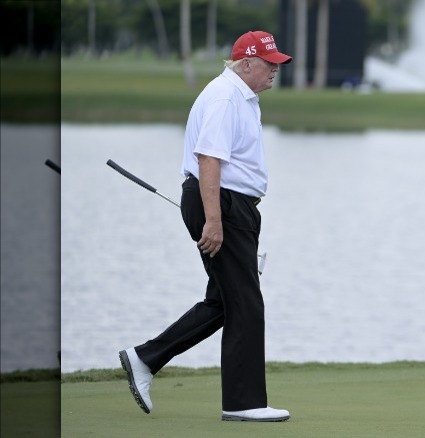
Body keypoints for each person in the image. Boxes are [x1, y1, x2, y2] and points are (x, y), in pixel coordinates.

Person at [119, 30, 292, 422]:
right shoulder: (224, 97)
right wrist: (214, 220)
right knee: (246, 303)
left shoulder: (243, 98)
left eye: (277, 64)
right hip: (222, 205)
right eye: (269, 64)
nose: (275, 71)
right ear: (246, 63)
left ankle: (145, 357)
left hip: (232, 206)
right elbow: (208, 160)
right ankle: (243, 403)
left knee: (225, 301)